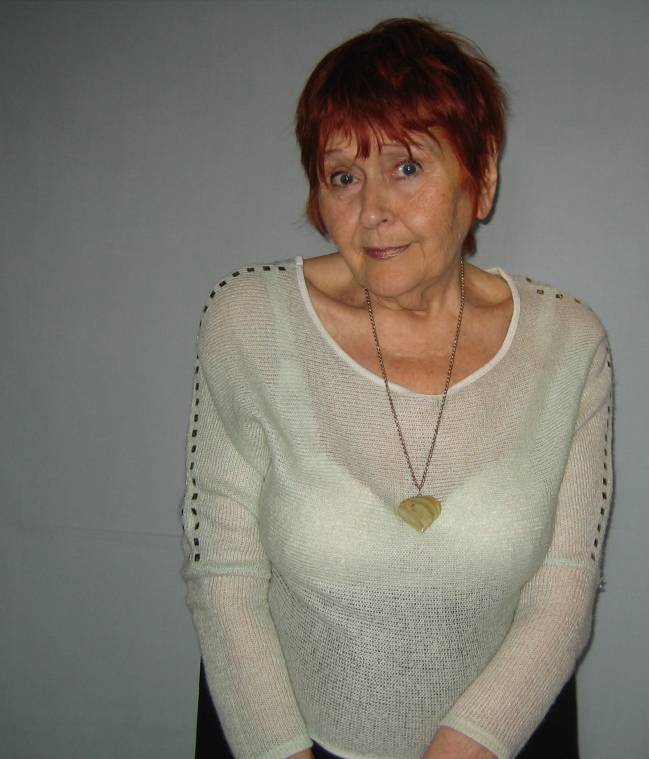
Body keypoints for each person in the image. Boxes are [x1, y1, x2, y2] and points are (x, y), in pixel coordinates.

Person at [180, 17, 614, 759]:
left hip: (493, 740)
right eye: (343, 176)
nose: (372, 211)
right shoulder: (249, 323)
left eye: (407, 167)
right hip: (286, 740)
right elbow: (224, 573)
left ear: (482, 175)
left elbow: (564, 588)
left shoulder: (568, 344)